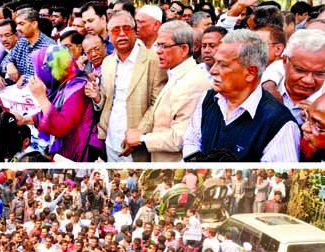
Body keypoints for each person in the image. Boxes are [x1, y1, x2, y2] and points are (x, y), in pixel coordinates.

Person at [182, 29, 299, 161]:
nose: (213, 71)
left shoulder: (279, 124)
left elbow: (277, 177)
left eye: (223, 65)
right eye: (215, 62)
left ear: (250, 72)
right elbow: (191, 143)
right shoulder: (208, 100)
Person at [123, 20, 212, 161]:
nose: (158, 51)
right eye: (158, 45)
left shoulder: (193, 83)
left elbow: (180, 138)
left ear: (184, 49)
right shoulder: (176, 73)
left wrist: (142, 138)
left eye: (164, 46)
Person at [85, 10, 166, 162]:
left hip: (138, 142)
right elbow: (107, 101)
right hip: (110, 139)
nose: (121, 34)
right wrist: (97, 97)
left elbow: (158, 105)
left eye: (126, 28)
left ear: (135, 32)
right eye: (116, 30)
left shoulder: (153, 60)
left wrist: (138, 135)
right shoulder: (108, 62)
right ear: (109, 35)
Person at [15, 45, 95, 162]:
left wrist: (41, 97)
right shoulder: (66, 84)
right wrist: (23, 120)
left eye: (40, 69)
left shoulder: (77, 87)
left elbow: (61, 125)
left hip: (79, 153)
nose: (38, 75)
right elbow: (48, 114)